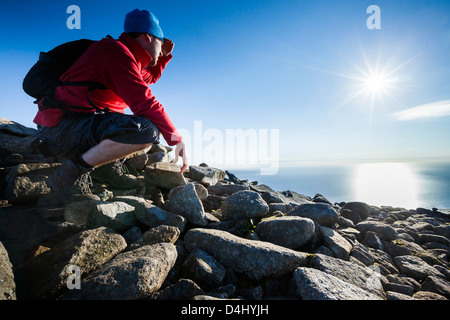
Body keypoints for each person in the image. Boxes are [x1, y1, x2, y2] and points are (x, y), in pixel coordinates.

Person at [33, 9, 188, 203]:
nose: (162, 46)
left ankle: (105, 169)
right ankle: (65, 176)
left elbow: (150, 78)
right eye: (160, 41)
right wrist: (176, 140)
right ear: (148, 37)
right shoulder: (114, 52)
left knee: (133, 127)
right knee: (146, 131)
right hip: (60, 130)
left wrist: (163, 57)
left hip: (74, 126)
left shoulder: (128, 58)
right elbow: (144, 102)